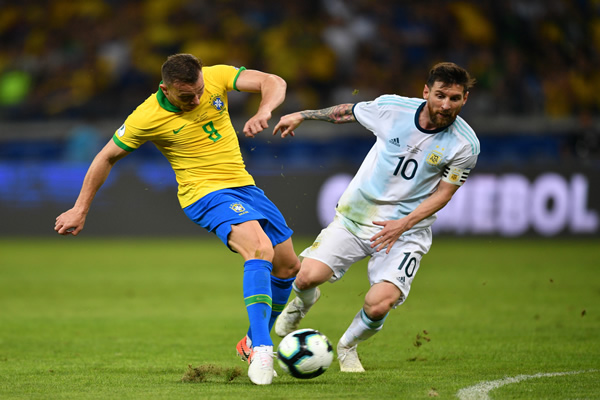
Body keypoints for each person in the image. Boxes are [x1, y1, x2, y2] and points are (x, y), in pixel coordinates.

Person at [54, 53, 300, 385]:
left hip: (245, 187)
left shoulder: (215, 76)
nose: (196, 100)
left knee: (288, 267)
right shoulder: (146, 116)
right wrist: (80, 208)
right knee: (259, 249)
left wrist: (264, 110)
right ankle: (263, 349)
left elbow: (273, 81)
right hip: (204, 194)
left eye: (199, 92)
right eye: (187, 97)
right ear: (165, 89)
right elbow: (106, 156)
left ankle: (251, 340)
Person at [272, 62, 479, 372]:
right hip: (356, 218)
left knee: (379, 303)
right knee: (305, 278)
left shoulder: (465, 145)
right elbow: (348, 112)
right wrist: (303, 115)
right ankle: (303, 302)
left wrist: (403, 224)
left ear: (465, 99)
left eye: (455, 98)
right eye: (440, 95)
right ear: (426, 92)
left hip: (405, 232)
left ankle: (347, 346)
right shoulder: (392, 109)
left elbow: (443, 194)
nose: (446, 105)